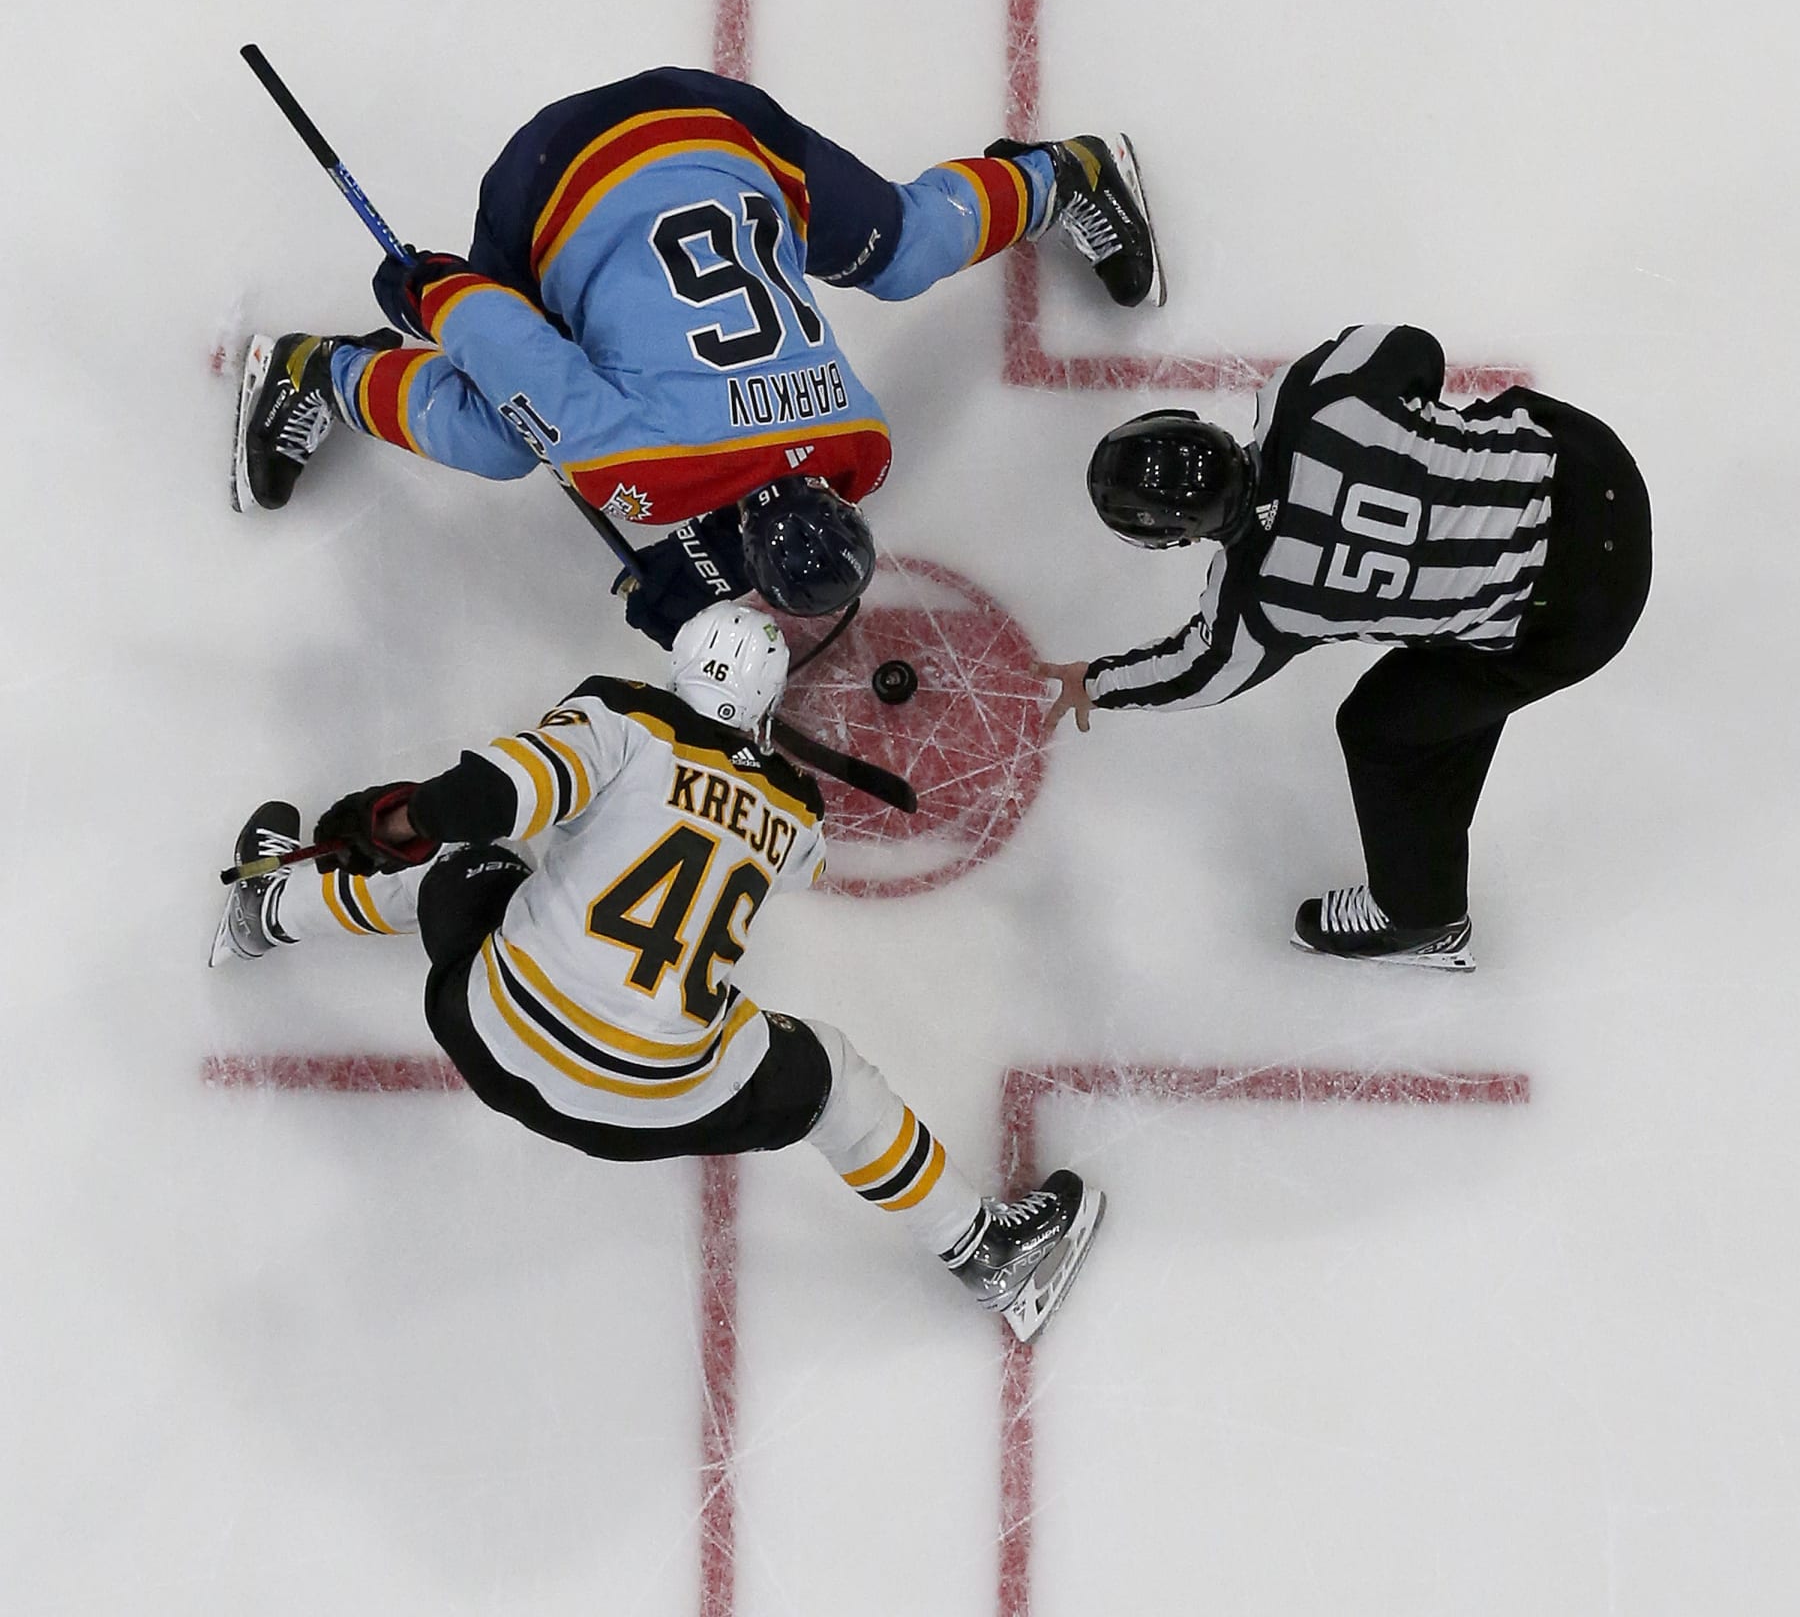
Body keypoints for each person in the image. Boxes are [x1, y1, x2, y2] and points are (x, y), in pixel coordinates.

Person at [210, 602, 1105, 1342]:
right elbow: (795, 859)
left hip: (490, 1031)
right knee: (833, 1081)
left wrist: (401, 816)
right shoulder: (794, 814)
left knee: (466, 869)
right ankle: (977, 1247)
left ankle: (267, 912)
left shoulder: (622, 716)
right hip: (649, 1107)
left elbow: (492, 796)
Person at [232, 65, 1164, 639]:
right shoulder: (633, 464)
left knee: (904, 248)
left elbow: (739, 453)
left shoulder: (858, 446)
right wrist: (432, 292)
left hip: (725, 128)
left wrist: (712, 547)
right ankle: (315, 372)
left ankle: (1062, 175)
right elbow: (512, 352)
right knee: (501, 435)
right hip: (556, 171)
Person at [1037, 323, 1653, 971]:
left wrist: (1095, 682)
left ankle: (1423, 919)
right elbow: (1416, 350)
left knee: (1381, 728)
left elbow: (1195, 674)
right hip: (1592, 464)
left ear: (1174, 536)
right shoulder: (1307, 393)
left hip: (1585, 615)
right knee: (1449, 656)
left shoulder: (1258, 598)